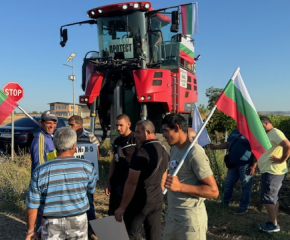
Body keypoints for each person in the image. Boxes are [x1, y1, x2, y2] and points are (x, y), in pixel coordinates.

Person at [25, 127, 97, 240]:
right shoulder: (87, 167)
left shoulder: (40, 170)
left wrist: (30, 231)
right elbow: (91, 190)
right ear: (74, 145)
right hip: (78, 220)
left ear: (55, 146)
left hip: (51, 222)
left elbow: (32, 205)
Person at [162, 113, 219, 240]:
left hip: (190, 223)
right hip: (173, 219)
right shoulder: (175, 149)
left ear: (177, 128)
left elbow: (213, 191)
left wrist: (180, 187)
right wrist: (169, 215)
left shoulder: (195, 152)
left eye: (166, 130)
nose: (163, 135)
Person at [115, 120, 169, 240]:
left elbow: (132, 182)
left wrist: (122, 207)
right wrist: (158, 192)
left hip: (140, 201)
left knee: (130, 233)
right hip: (156, 200)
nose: (135, 135)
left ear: (148, 132)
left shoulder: (141, 152)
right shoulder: (163, 150)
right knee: (154, 235)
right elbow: (164, 175)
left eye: (138, 132)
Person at [209, 129, 257, 214]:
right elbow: (228, 143)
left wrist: (254, 165)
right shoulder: (235, 131)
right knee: (228, 183)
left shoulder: (253, 132)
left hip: (245, 164)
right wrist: (216, 147)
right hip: (233, 163)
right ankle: (225, 203)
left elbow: (256, 150)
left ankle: (243, 207)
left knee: (246, 186)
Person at [68, 115, 100, 240]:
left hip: (86, 177)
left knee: (89, 202)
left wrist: (92, 171)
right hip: (72, 176)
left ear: (80, 125)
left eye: (72, 125)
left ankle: (91, 229)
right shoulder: (69, 136)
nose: (69, 127)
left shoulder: (90, 136)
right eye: (69, 124)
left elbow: (95, 153)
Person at [257, 116, 290, 233]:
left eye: (260, 125)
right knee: (273, 198)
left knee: (267, 198)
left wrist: (281, 159)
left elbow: (287, 144)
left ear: (266, 123)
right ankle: (273, 222)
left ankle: (273, 225)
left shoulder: (275, 132)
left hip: (273, 172)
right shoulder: (269, 134)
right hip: (271, 171)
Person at [105, 114, 137, 216]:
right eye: (117, 125)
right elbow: (114, 161)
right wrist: (109, 181)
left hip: (128, 182)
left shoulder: (135, 140)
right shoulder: (117, 141)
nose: (118, 128)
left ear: (129, 124)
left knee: (127, 214)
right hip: (116, 182)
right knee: (113, 212)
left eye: (121, 125)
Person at [30, 110, 58, 175]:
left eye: (54, 123)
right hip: (43, 181)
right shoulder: (40, 138)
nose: (52, 126)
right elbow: (40, 167)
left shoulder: (49, 136)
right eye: (48, 123)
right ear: (41, 123)